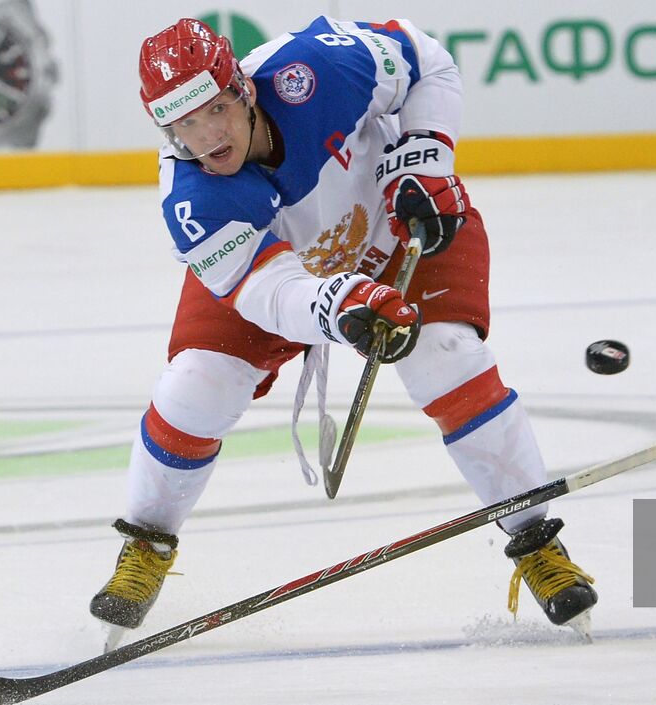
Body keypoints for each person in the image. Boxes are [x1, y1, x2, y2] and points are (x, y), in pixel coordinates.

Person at [89, 16, 596, 645]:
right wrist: (340, 302)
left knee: (447, 358)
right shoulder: (194, 195)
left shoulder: (317, 69)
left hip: (397, 223)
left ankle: (536, 542)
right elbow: (270, 294)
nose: (206, 138)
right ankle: (146, 542)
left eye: (214, 109)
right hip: (282, 269)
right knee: (196, 386)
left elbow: (427, 61)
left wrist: (426, 156)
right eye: (183, 125)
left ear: (243, 89)